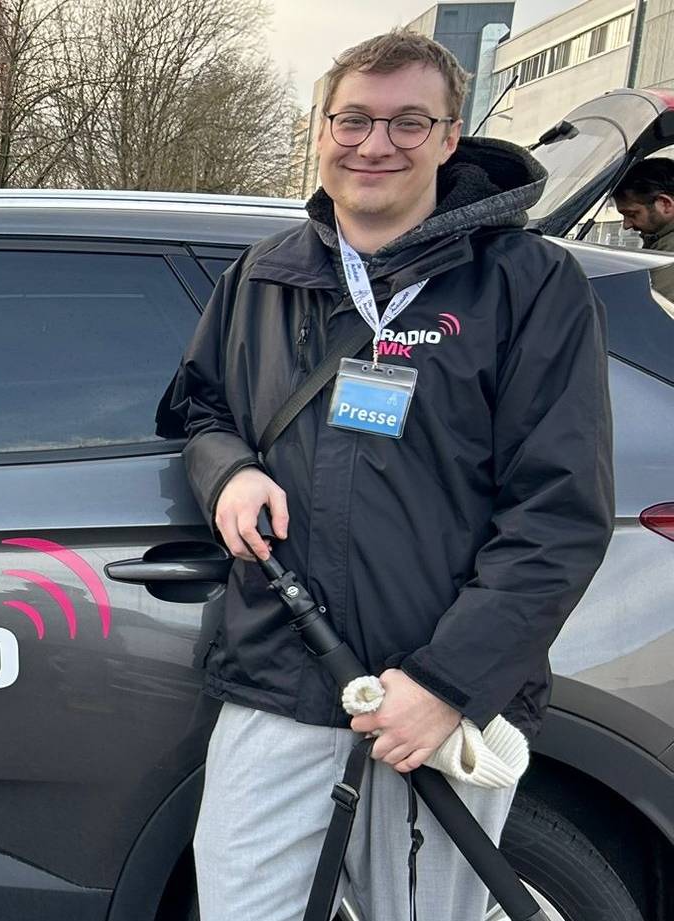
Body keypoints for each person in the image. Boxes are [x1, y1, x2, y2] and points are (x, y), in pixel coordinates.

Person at [171, 31, 614, 920]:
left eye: (409, 122)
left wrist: (446, 683)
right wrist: (228, 474)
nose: (375, 144)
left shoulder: (529, 285)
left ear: (451, 138)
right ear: (322, 129)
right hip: (283, 674)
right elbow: (198, 407)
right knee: (240, 904)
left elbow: (560, 513)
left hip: (437, 702)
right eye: (355, 119)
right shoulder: (264, 275)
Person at [612, 157, 674, 300]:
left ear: (665, 204)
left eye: (632, 214)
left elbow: (655, 314)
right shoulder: (661, 244)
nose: (626, 225)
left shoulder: (668, 255)